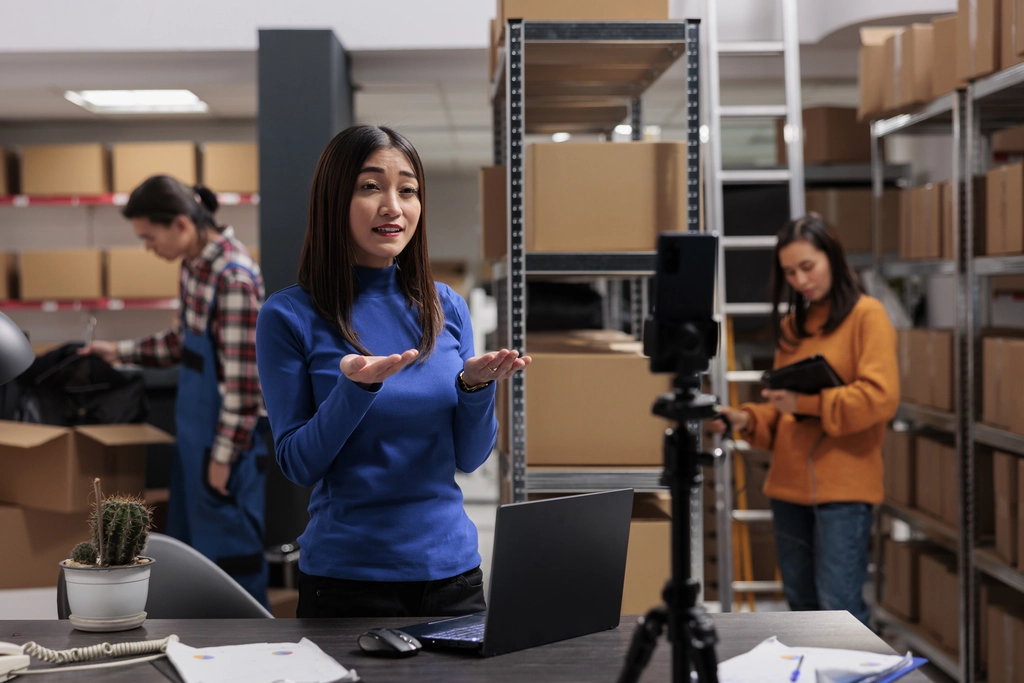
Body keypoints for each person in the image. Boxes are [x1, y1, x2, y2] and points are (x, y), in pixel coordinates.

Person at [256, 124, 530, 619]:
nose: (393, 207)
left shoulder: (446, 306)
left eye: (407, 190)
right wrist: (355, 391)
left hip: (454, 577)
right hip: (347, 582)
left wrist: (474, 387)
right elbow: (299, 464)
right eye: (370, 187)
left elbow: (470, 458)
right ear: (334, 199)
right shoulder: (289, 315)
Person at [79, 175, 269, 607]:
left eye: (149, 237)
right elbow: (183, 343)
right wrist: (119, 352)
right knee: (191, 561)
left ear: (181, 224)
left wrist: (223, 459)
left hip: (225, 449)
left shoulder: (234, 277)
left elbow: (244, 384)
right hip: (194, 440)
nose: (148, 247)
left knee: (229, 562)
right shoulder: (194, 266)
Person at [708, 214, 899, 625]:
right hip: (789, 488)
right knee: (801, 608)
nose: (800, 280)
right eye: (790, 272)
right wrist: (742, 418)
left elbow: (879, 398)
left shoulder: (868, 316)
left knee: (839, 611)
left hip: (845, 490)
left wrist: (805, 403)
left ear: (832, 256)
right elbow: (784, 414)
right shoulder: (794, 326)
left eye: (807, 267)